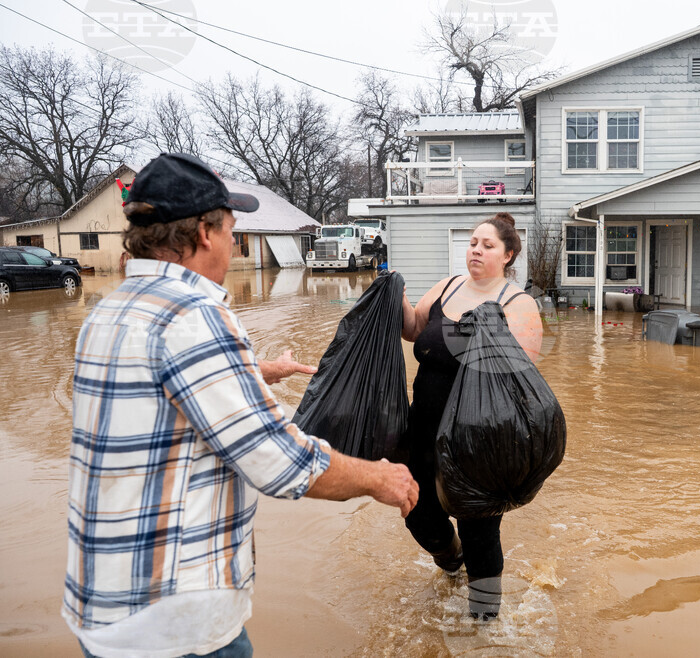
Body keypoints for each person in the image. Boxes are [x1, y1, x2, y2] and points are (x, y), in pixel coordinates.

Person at [63, 153, 418, 658]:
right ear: (205, 233)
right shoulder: (195, 315)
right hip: (176, 617)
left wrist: (261, 371)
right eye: (232, 230)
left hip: (105, 602)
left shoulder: (111, 311)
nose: (233, 243)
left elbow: (165, 400)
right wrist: (380, 478)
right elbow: (277, 462)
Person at [400, 212, 542, 619]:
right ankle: (450, 561)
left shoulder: (518, 304)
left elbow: (518, 381)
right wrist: (395, 296)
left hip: (478, 442)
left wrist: (485, 329)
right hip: (423, 431)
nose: (476, 251)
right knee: (417, 511)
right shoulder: (447, 287)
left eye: (488, 245)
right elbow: (413, 329)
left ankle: (484, 623)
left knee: (480, 531)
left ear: (508, 255)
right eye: (473, 243)